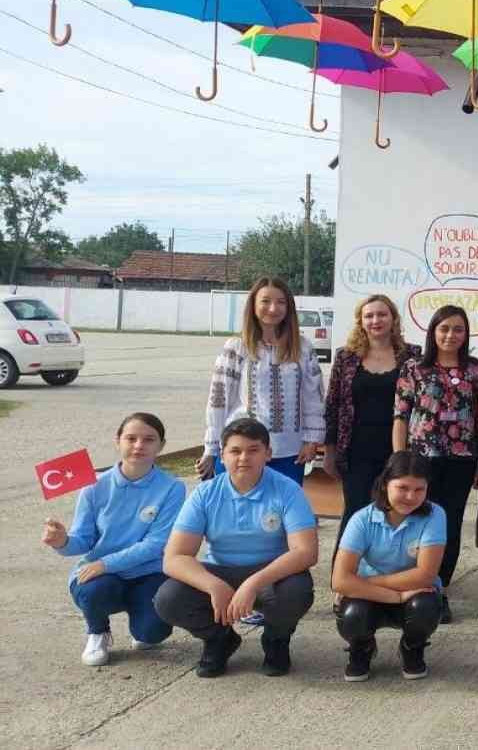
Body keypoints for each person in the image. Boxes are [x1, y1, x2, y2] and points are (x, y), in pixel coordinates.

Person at [155, 418, 316, 678]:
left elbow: (305, 552)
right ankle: (219, 639)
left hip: (270, 573)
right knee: (168, 599)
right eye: (235, 451)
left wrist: (253, 584)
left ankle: (276, 640)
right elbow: (174, 557)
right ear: (222, 455)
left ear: (268, 453)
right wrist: (213, 585)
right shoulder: (205, 494)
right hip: (220, 570)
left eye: (253, 450)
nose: (244, 458)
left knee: (297, 591)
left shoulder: (287, 490)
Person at [42, 412, 185, 667]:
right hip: (101, 575)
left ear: (161, 445)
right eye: (131, 438)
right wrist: (62, 542)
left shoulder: (173, 487)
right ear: (117, 441)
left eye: (149, 439)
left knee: (152, 634)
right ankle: (97, 632)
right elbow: (83, 540)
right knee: (93, 590)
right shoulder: (94, 485)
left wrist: (105, 563)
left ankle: (141, 622)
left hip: (147, 572)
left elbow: (156, 545)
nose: (139, 445)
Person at [393, 304, 478, 625]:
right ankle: (413, 586)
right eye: (444, 329)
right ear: (433, 332)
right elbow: (401, 416)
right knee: (418, 522)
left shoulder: (475, 370)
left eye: (458, 329)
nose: (450, 335)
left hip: (461, 459)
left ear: (465, 334)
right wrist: (399, 460)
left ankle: (439, 590)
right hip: (421, 459)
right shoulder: (414, 368)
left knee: (450, 525)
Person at [323, 294, 419, 577]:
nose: (376, 320)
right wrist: (329, 451)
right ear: (361, 322)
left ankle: (392, 573)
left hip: (398, 448)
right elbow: (333, 404)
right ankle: (344, 575)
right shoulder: (346, 357)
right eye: (369, 316)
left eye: (382, 314)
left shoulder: (412, 356)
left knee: (396, 511)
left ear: (393, 319)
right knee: (356, 511)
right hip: (356, 449)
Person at [332, 451, 444, 682]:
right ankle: (361, 648)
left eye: (419, 489)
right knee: (353, 615)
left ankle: (412, 647)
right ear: (385, 484)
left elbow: (425, 575)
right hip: (370, 597)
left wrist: (359, 583)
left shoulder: (434, 515)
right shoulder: (362, 519)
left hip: (412, 592)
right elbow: (339, 580)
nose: (411, 496)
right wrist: (396, 596)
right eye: (402, 488)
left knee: (425, 605)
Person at [200, 277, 324, 485]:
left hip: (288, 452)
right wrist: (211, 448)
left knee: (282, 504)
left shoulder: (302, 348)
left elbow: (314, 397)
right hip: (242, 451)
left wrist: (312, 439)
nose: (273, 308)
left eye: (281, 302)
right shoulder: (237, 347)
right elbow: (219, 399)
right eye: (265, 301)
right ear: (253, 305)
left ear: (289, 307)